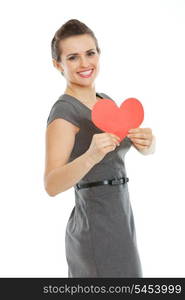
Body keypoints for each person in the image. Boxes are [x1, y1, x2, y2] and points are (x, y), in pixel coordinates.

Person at [44, 19, 156, 277]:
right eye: (73, 57)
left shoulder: (105, 101)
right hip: (95, 223)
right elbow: (51, 184)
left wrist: (147, 145)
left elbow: (116, 158)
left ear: (99, 54)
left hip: (121, 217)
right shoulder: (64, 113)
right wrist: (91, 156)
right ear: (57, 64)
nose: (84, 64)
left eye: (90, 53)